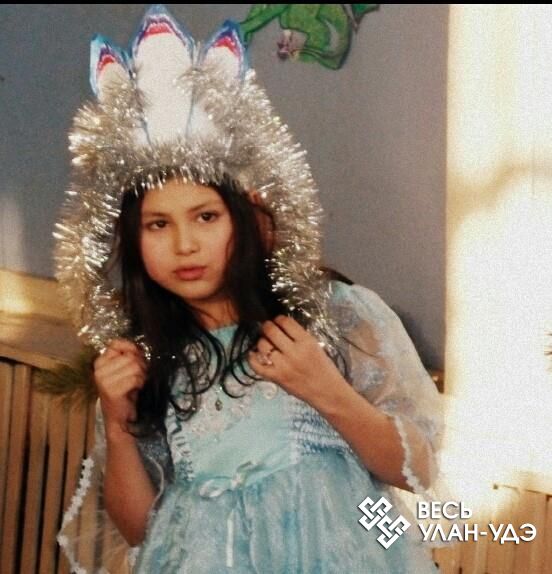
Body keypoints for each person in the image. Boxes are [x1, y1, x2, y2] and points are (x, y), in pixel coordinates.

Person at [54, 6, 449, 573]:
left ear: (251, 218)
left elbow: (417, 469)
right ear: (132, 241)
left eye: (206, 217)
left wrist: (323, 388)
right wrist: (117, 425)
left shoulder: (333, 317)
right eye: (158, 225)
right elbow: (141, 529)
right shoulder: (148, 357)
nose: (184, 245)